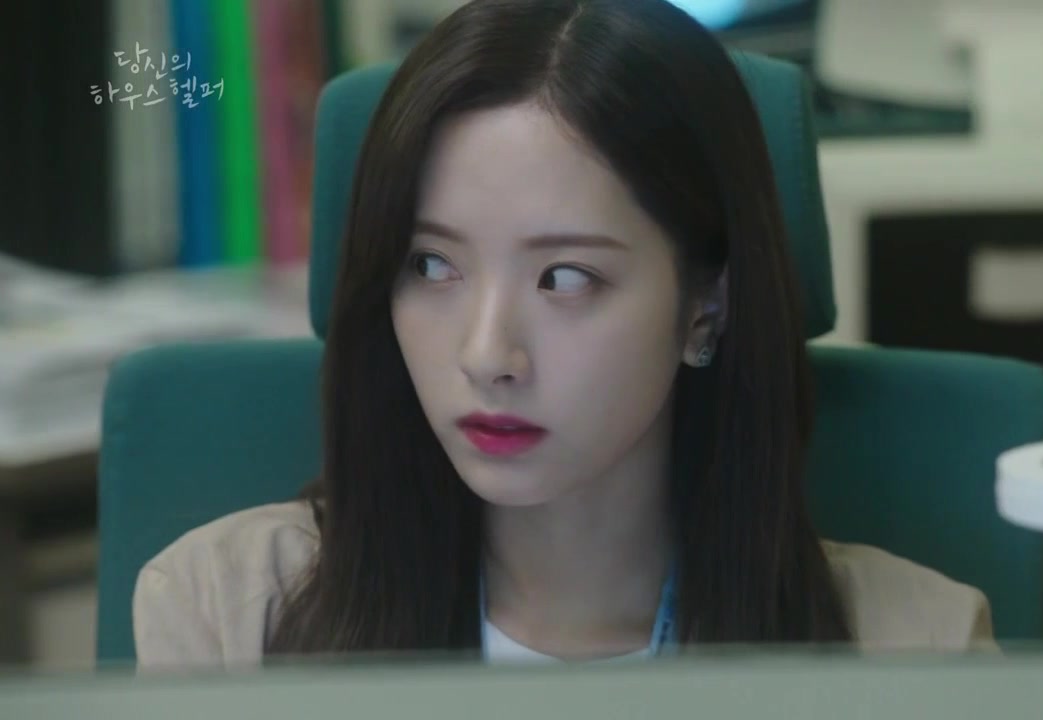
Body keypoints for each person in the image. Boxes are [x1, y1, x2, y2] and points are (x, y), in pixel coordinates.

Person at [132, 0, 993, 668]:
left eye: (566, 278)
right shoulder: (225, 617)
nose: (486, 356)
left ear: (706, 305)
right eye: (431, 265)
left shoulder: (919, 652)